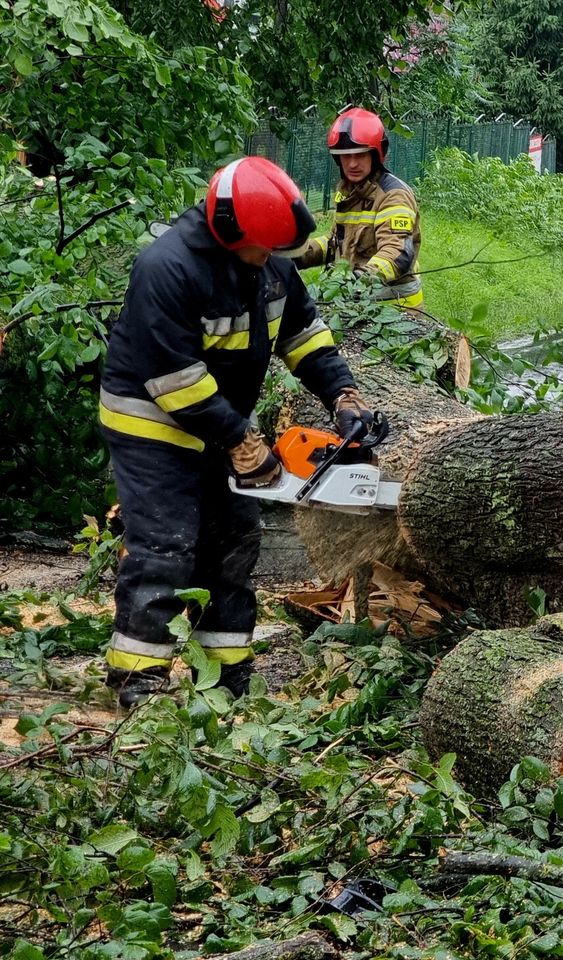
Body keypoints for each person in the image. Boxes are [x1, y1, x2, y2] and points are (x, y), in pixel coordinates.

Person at [99, 156, 378, 707]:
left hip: (219, 423)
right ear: (228, 230)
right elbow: (176, 382)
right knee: (166, 547)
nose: (270, 257)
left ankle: (225, 682)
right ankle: (138, 684)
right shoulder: (168, 268)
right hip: (151, 422)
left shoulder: (270, 264)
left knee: (233, 540)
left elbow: (304, 336)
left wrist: (342, 396)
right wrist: (244, 443)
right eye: (262, 246)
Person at [297, 107, 423, 310]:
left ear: (375, 155)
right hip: (357, 303)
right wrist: (295, 253)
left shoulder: (393, 195)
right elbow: (335, 243)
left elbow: (397, 252)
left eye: (360, 155)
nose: (352, 164)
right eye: (346, 156)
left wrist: (360, 280)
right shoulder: (350, 192)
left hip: (393, 308)